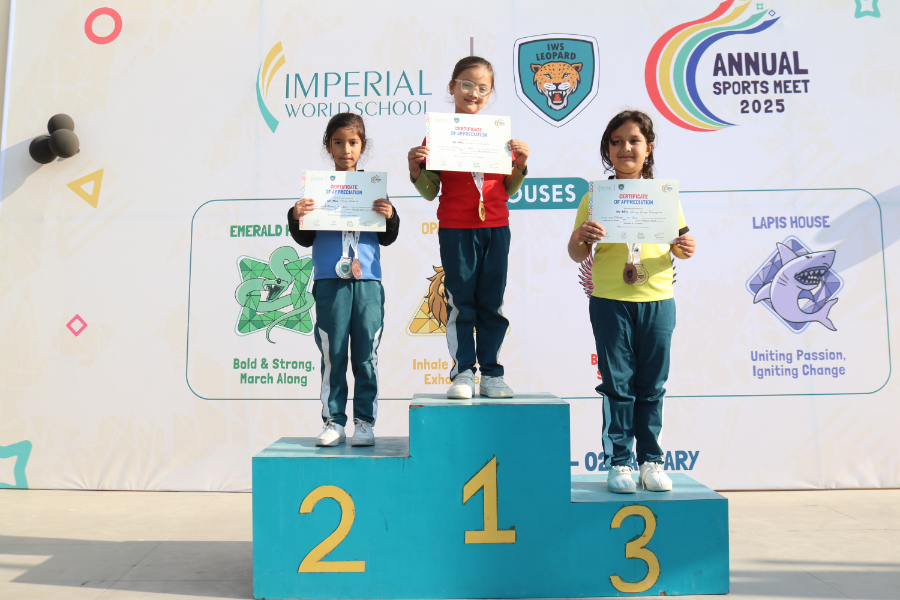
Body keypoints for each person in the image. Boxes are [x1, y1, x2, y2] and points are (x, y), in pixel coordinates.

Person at [567, 109, 696, 493]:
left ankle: (651, 461)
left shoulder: (664, 197)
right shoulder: (595, 198)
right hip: (610, 299)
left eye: (634, 140)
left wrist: (686, 245)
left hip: (658, 298)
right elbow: (576, 253)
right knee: (617, 385)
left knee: (652, 385)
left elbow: (681, 245)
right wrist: (581, 237)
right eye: (617, 141)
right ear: (608, 149)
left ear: (648, 148)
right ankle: (620, 462)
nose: (626, 147)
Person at [406, 56, 530, 400]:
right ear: (452, 87)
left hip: (496, 227)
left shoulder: (499, 136)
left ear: (489, 94)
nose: (473, 92)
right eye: (466, 84)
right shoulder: (437, 135)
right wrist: (415, 169)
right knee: (461, 303)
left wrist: (520, 164)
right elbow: (430, 190)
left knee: (492, 302)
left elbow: (508, 188)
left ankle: (491, 374)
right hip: (456, 228)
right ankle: (462, 372)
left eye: (482, 88)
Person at [288, 113, 399, 447]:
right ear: (328, 146)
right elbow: (305, 238)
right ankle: (334, 421)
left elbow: (388, 237)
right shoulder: (317, 190)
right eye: (338, 142)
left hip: (368, 281)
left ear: (362, 146)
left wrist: (390, 216)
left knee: (366, 354)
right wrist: (296, 216)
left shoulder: (373, 188)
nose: (346, 149)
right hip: (329, 280)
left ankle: (364, 423)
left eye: (353, 142)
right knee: (333, 353)